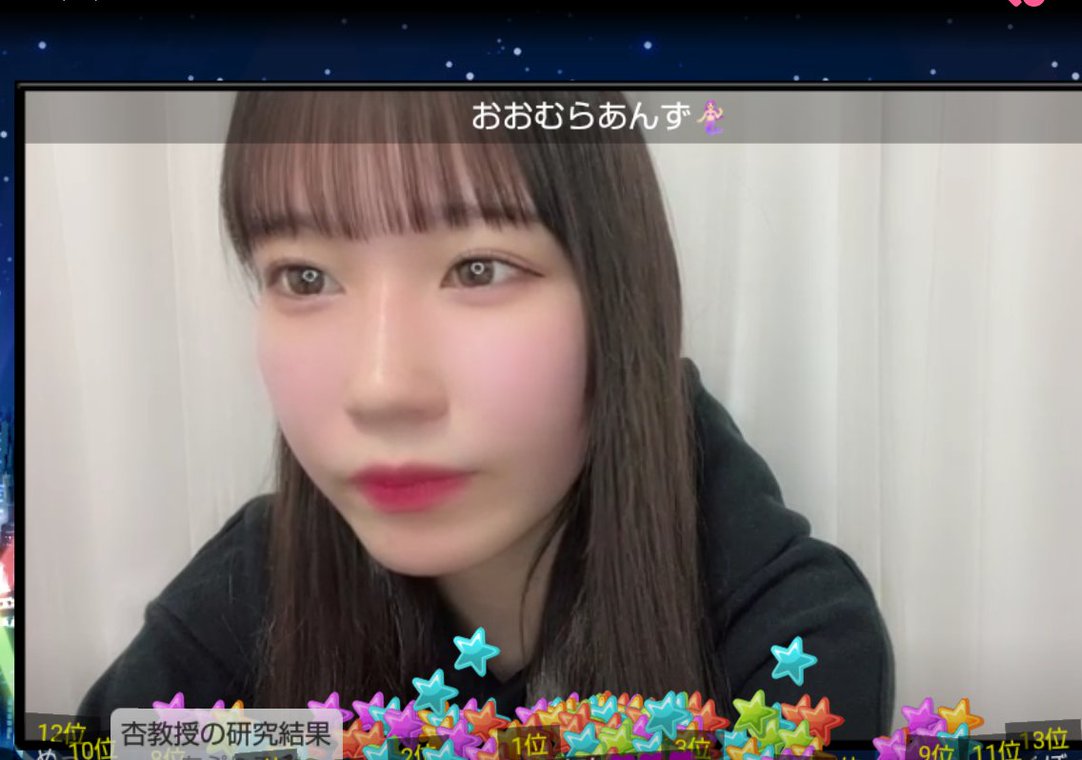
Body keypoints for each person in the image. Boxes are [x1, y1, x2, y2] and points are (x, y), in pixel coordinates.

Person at [78, 90, 894, 741]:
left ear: (619, 299)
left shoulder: (786, 652)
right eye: (305, 277)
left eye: (478, 269)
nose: (381, 389)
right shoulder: (251, 591)